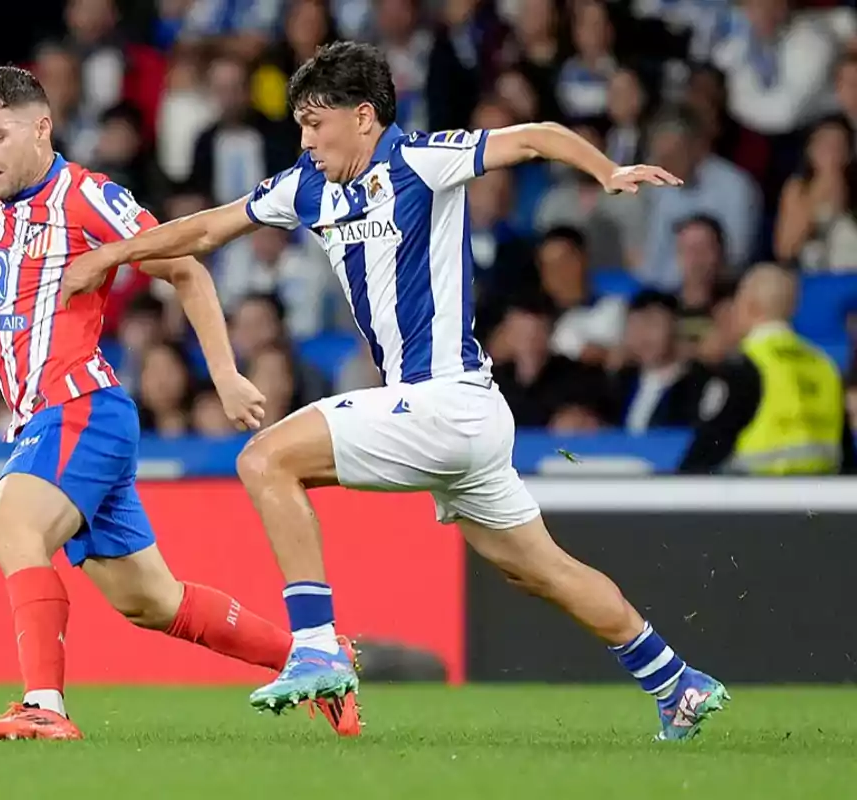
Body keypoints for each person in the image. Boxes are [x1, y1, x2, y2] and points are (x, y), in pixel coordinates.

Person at [62, 41, 728, 742]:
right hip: (455, 417)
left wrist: (606, 169)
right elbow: (204, 228)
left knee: (265, 460)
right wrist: (112, 253)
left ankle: (315, 645)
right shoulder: (306, 186)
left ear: (365, 115)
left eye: (317, 123)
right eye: (300, 124)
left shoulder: (419, 159)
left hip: (447, 400)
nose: (306, 139)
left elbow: (536, 137)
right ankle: (675, 680)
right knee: (542, 572)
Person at [0, 66, 347, 743]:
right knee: (152, 601)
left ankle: (43, 705)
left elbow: (185, 266)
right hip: (57, 417)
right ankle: (320, 663)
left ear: (41, 127)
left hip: (79, 404)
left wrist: (227, 374)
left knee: (14, 529)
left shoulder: (88, 197)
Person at [679, 264, 856, 475]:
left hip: (759, 499)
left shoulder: (743, 368)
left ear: (751, 307)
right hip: (822, 501)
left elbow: (706, 451)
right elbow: (846, 454)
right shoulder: (826, 366)